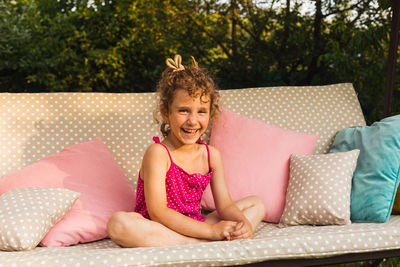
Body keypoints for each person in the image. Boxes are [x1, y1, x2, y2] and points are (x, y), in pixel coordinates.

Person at [107, 55, 266, 247]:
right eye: (183, 111)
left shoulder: (211, 156)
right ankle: (192, 242)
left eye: (201, 111)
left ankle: (205, 238)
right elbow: (158, 212)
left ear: (210, 113)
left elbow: (224, 205)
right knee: (118, 224)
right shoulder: (158, 153)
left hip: (195, 224)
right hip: (158, 228)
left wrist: (243, 224)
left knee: (256, 204)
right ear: (166, 113)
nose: (192, 121)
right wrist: (210, 231)